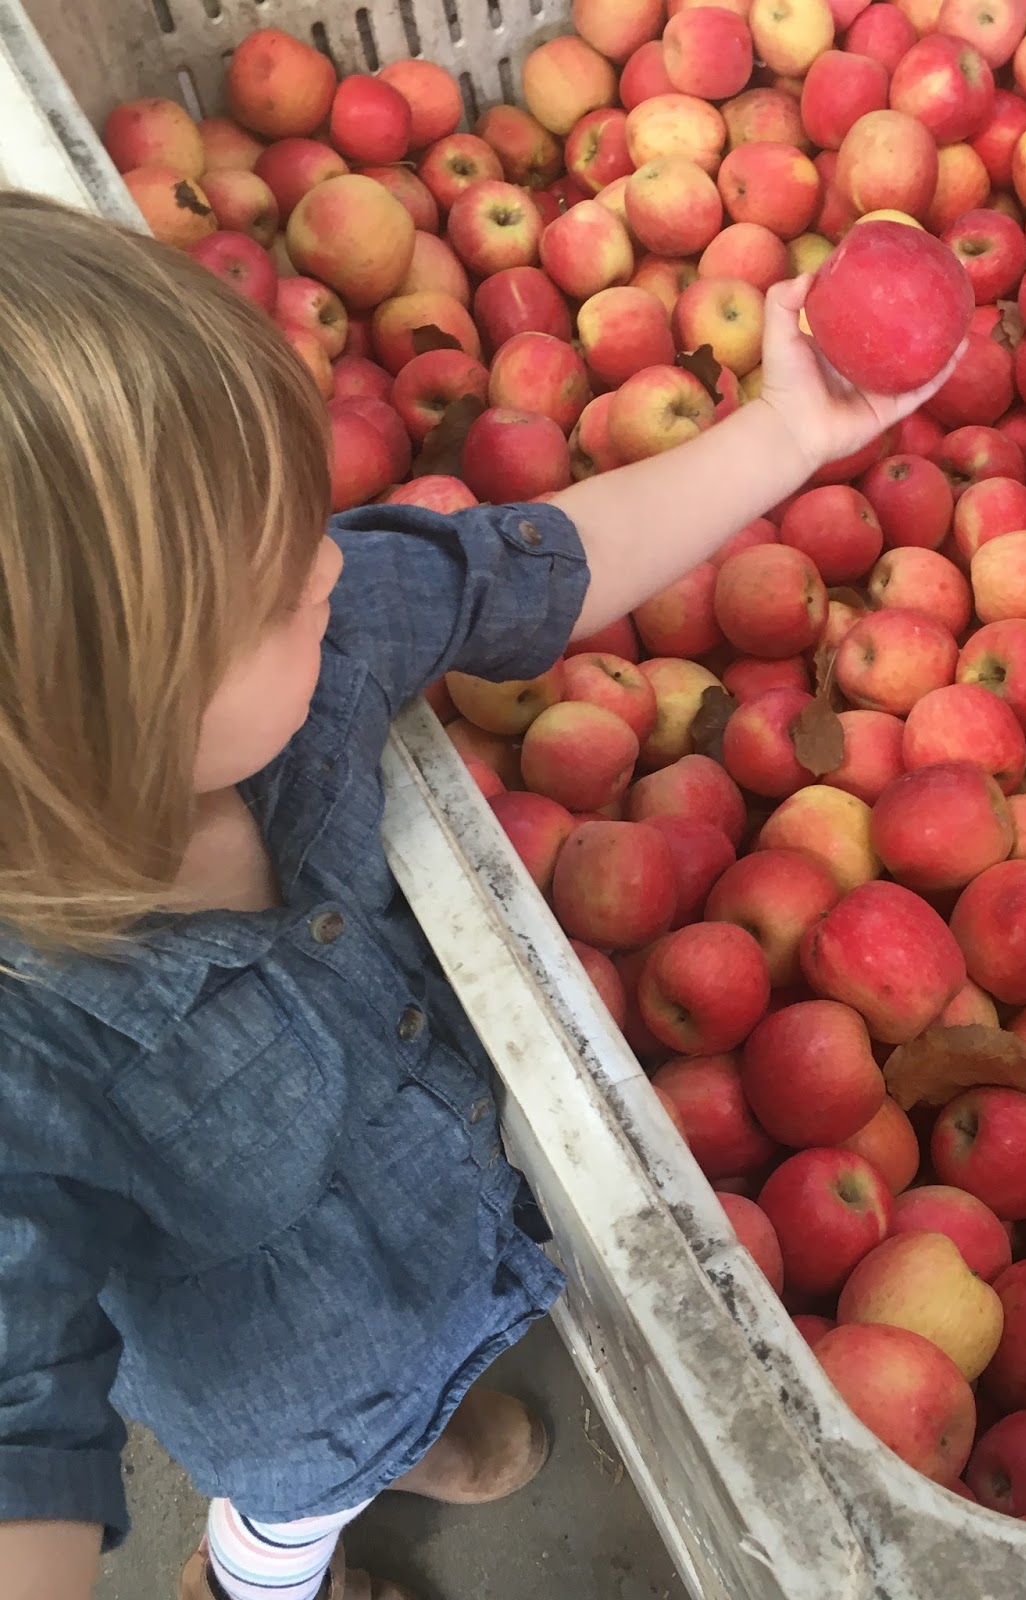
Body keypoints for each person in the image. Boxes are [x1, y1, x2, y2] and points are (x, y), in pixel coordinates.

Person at [0, 189, 958, 1600]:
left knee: (422, 1400)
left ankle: (416, 1438)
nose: (333, 561)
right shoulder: (33, 1055)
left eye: (302, 520)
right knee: (292, 1505)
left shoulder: (301, 671)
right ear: (106, 723)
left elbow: (533, 564)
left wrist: (787, 436)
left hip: (449, 1244)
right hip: (286, 1403)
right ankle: (265, 1566)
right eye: (273, 588)